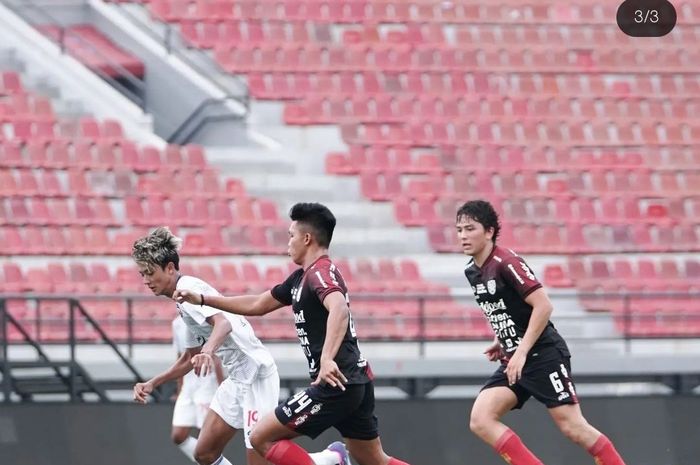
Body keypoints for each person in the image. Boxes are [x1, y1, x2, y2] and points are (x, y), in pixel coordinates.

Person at [174, 203, 412, 465]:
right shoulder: (301, 278)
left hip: (336, 382)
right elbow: (257, 305)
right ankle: (336, 459)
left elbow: (339, 309)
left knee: (261, 437)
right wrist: (203, 299)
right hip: (354, 381)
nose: (288, 243)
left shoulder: (320, 273)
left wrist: (327, 359)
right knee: (375, 460)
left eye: (291, 236)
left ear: (307, 238)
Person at [131, 227, 350, 465]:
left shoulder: (189, 291)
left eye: (149, 273)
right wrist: (153, 383)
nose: (145, 280)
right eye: (142, 274)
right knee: (204, 453)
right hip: (237, 379)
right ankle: (332, 457)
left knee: (260, 460)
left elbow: (223, 325)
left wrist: (207, 352)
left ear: (170, 268)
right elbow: (188, 358)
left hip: (257, 374)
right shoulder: (182, 303)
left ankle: (331, 458)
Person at [456, 200, 627, 465]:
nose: (463, 236)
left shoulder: (507, 262)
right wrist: (501, 338)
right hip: (515, 359)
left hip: (542, 355)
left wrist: (521, 350)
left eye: (470, 228)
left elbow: (543, 305)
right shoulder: (472, 271)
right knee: (481, 419)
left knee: (574, 427)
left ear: (489, 231)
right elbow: (506, 307)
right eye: (459, 230)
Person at [171, 315, 223, 462]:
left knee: (205, 438)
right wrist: (179, 388)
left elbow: (216, 357)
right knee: (178, 435)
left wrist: (221, 388)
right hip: (188, 385)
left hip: (207, 382)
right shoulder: (176, 323)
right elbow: (181, 356)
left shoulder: (206, 319)